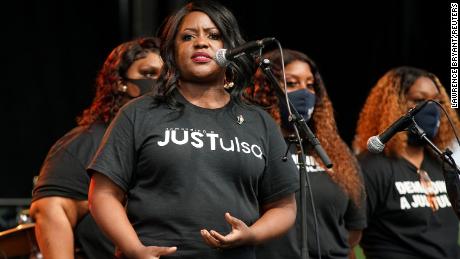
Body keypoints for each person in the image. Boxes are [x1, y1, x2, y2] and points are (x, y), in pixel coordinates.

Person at [87, 1, 299, 258]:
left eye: (213, 35)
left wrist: (252, 234)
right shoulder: (139, 113)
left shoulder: (259, 121)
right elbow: (103, 194)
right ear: (172, 51)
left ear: (231, 48)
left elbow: (284, 206)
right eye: (188, 36)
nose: (201, 43)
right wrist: (134, 249)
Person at [30, 37, 163, 259]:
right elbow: (51, 209)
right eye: (148, 73)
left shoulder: (172, 138)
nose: (158, 83)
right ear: (121, 82)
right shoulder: (87, 140)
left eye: (165, 75)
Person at [247, 49, 366, 259]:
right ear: (265, 89)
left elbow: (354, 229)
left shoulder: (335, 151)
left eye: (310, 85)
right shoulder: (252, 144)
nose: (304, 92)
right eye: (292, 83)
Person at [353, 66, 460, 259]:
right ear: (394, 105)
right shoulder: (370, 168)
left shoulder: (442, 164)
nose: (431, 108)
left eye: (437, 101)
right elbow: (348, 237)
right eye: (420, 100)